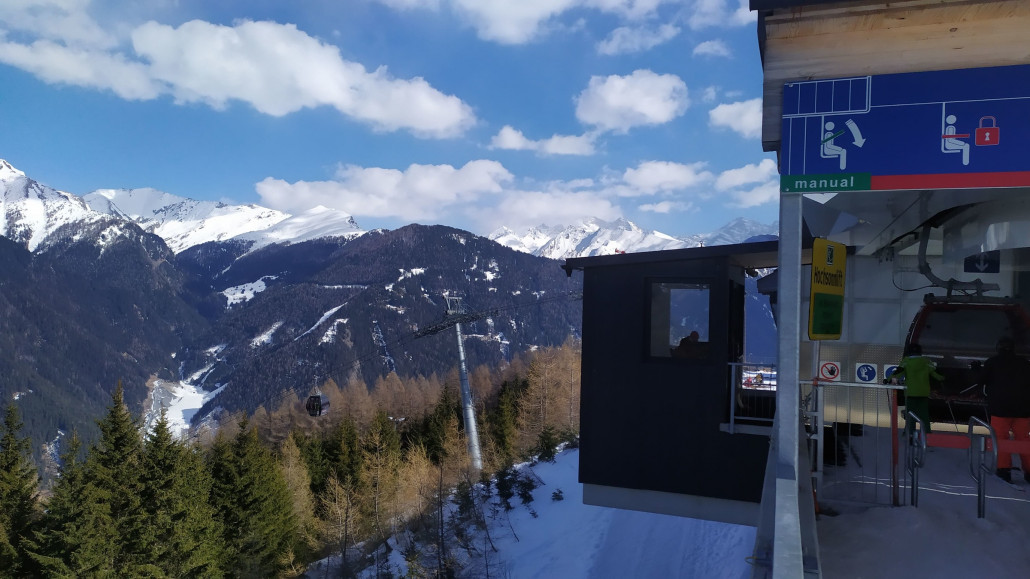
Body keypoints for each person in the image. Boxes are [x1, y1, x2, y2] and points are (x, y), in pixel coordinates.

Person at [979, 336, 1030, 483]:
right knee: (1024, 439)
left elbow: (980, 380)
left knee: (1001, 438)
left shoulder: (992, 362)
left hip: (1000, 408)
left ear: (998, 348)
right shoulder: (1024, 363)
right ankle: (1029, 470)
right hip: (1023, 408)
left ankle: (1004, 469)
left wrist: (976, 369)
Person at [890, 343, 943, 434]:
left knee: (911, 415)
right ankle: (927, 435)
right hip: (923, 393)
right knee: (924, 416)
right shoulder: (926, 362)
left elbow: (898, 373)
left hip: (911, 393)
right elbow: (936, 374)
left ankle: (909, 434)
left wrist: (889, 379)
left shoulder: (906, 361)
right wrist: (944, 378)